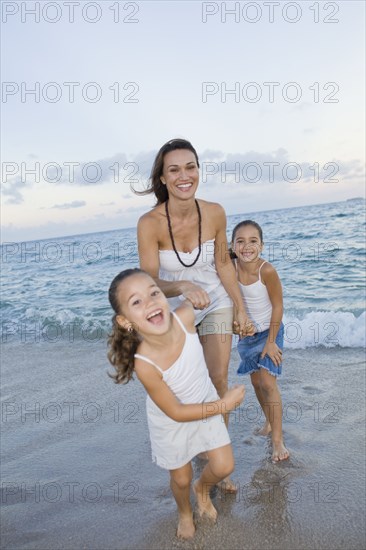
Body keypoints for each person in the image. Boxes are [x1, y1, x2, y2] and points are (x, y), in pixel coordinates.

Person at [107, 268, 245, 539]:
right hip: (171, 421)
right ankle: (184, 511)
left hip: (203, 402)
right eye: (136, 302)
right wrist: (223, 405)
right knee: (180, 478)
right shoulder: (144, 363)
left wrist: (188, 288)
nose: (149, 302)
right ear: (125, 321)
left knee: (224, 466)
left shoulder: (184, 317)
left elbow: (202, 297)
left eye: (154, 293)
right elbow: (177, 412)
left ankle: (202, 489)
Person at [136, 138, 254, 406]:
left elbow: (224, 264)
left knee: (217, 378)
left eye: (190, 167)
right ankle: (195, 440)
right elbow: (148, 282)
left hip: (215, 302)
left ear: (198, 171)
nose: (184, 176)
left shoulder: (215, 212)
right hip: (176, 311)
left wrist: (240, 307)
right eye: (174, 170)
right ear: (163, 178)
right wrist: (182, 287)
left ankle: (217, 447)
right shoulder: (149, 224)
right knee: (184, 387)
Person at [231, 220, 289, 462]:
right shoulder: (230, 269)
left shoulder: (266, 270)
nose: (247, 246)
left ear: (262, 245)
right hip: (247, 337)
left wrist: (271, 342)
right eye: (240, 241)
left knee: (267, 383)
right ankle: (268, 420)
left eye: (253, 241)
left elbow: (278, 306)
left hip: (270, 333)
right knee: (255, 383)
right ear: (233, 246)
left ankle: (278, 440)